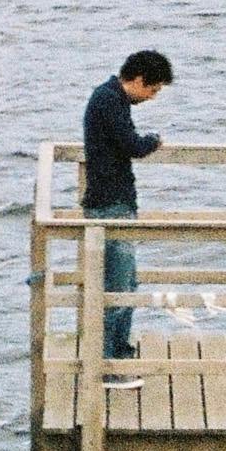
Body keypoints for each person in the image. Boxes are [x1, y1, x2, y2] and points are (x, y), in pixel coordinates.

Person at [83, 49, 174, 361]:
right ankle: (108, 361)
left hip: (114, 200)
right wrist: (154, 140)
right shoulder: (108, 100)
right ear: (137, 79)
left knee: (127, 284)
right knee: (118, 288)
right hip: (110, 204)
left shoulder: (111, 99)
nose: (152, 97)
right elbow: (132, 145)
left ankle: (118, 350)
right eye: (153, 89)